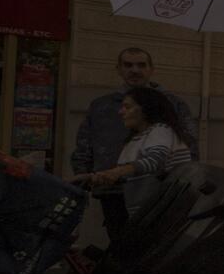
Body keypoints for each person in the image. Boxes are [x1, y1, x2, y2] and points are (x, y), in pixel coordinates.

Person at [73, 47, 197, 239]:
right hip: (112, 190)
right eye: (128, 65)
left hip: (156, 191)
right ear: (118, 69)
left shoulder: (172, 104)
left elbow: (188, 144)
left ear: (151, 69)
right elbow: (84, 143)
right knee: (122, 246)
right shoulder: (101, 105)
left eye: (141, 65)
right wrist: (84, 177)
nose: (135, 70)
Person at [69, 86, 194, 219]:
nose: (121, 112)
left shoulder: (160, 130)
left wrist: (116, 172)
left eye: (127, 107)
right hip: (145, 215)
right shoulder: (135, 139)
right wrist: (92, 177)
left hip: (162, 214)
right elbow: (130, 176)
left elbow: (154, 161)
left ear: (145, 109)